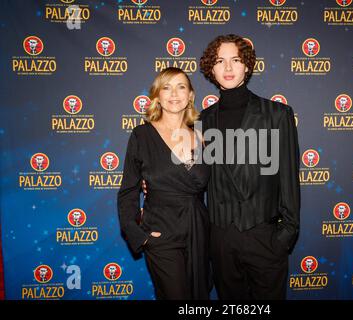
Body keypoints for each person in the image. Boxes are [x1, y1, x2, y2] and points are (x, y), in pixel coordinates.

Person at [199, 34, 300, 300]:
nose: (228, 68)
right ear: (211, 69)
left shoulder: (277, 115)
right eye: (220, 61)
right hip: (221, 242)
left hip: (264, 238)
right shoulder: (202, 120)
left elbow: (289, 180)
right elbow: (195, 181)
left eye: (236, 60)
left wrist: (283, 238)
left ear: (247, 65)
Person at [117, 67, 210, 300]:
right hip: (161, 232)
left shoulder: (202, 136)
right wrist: (139, 235)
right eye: (166, 87)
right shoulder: (142, 135)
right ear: (157, 96)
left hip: (198, 230)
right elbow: (128, 191)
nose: (174, 94)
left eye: (181, 87)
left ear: (190, 95)